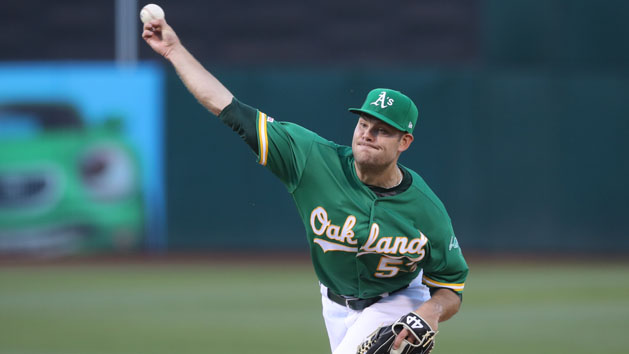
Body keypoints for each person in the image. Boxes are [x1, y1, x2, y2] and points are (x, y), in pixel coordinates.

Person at [143, 18, 468, 354]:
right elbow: (229, 108)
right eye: (364, 123)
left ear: (405, 142)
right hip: (334, 303)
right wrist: (173, 50)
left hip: (398, 302)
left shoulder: (426, 209)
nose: (368, 134)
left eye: (383, 130)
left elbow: (451, 287)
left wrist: (428, 312)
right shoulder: (312, 159)